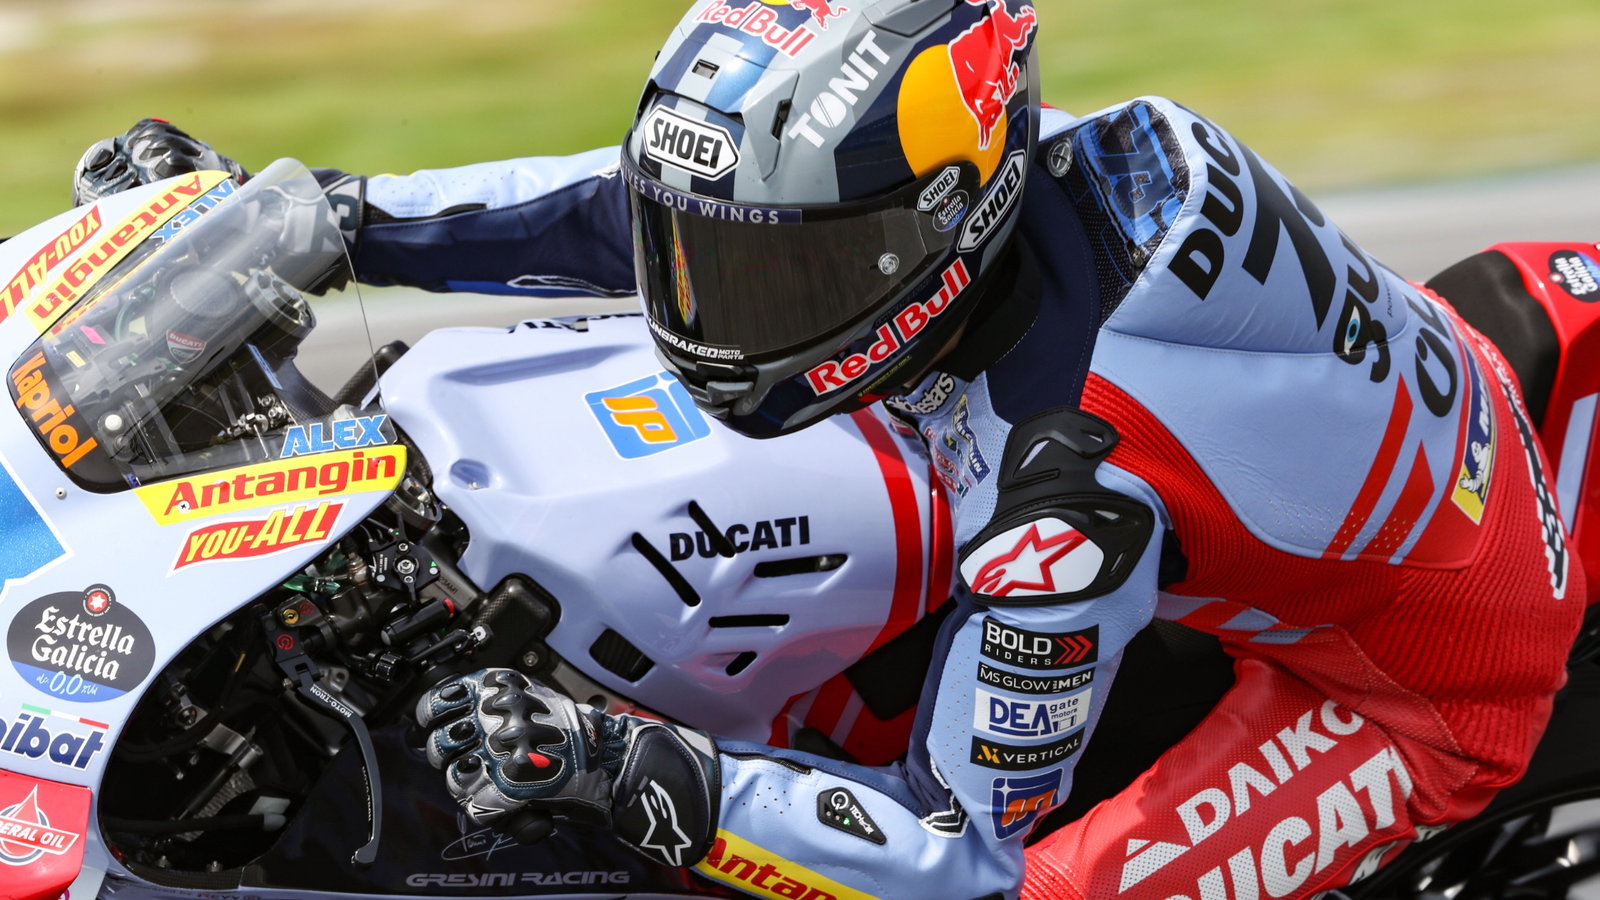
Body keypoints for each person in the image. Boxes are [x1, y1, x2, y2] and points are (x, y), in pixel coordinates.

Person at [75, 1, 1586, 896]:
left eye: (776, 283)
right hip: (1305, 472)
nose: (715, 308)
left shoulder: (1072, 487)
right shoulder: (964, 203)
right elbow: (623, 210)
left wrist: (634, 766)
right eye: (708, 260)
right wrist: (320, 223)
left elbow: (958, 852)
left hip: (1413, 694)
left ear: (944, 223)